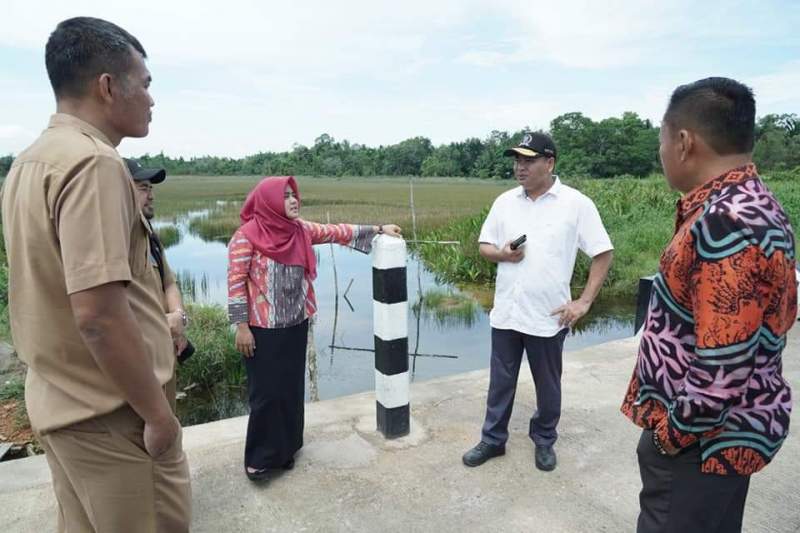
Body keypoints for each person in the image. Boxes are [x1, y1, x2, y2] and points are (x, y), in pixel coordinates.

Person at [0, 17, 190, 531]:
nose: (152, 99)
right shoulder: (95, 164)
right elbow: (100, 317)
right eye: (146, 84)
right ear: (108, 86)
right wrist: (158, 418)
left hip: (60, 404)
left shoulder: (29, 163)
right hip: (114, 416)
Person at [621, 77, 796, 533]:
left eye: (661, 139)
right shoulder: (753, 206)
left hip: (700, 446)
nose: (660, 152)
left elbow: (724, 366)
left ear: (683, 142)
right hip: (711, 440)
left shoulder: (726, 223)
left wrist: (668, 437)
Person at [227, 175, 401, 482]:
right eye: (285, 196)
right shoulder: (247, 236)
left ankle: (286, 451)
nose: (294, 201)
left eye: (295, 195)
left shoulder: (300, 230)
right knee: (266, 394)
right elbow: (236, 284)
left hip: (295, 323)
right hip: (262, 328)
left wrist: (378, 228)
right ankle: (260, 458)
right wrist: (241, 327)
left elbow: (336, 231)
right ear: (268, 201)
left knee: (290, 389)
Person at [462, 132, 614, 472]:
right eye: (517, 160)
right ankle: (493, 439)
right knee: (500, 381)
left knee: (548, 385)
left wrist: (584, 302)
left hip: (548, 316)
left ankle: (544, 439)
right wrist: (502, 254)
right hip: (507, 312)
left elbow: (603, 253)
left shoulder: (576, 204)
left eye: (528, 160)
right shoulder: (505, 202)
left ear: (550, 162)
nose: (520, 167)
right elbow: (485, 246)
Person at [127, 157, 190, 411]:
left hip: (164, 355)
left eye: (151, 188)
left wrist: (178, 318)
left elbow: (169, 283)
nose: (151, 195)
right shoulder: (111, 241)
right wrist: (161, 324)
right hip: (135, 366)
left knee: (168, 423)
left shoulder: (150, 236)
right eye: (143, 188)